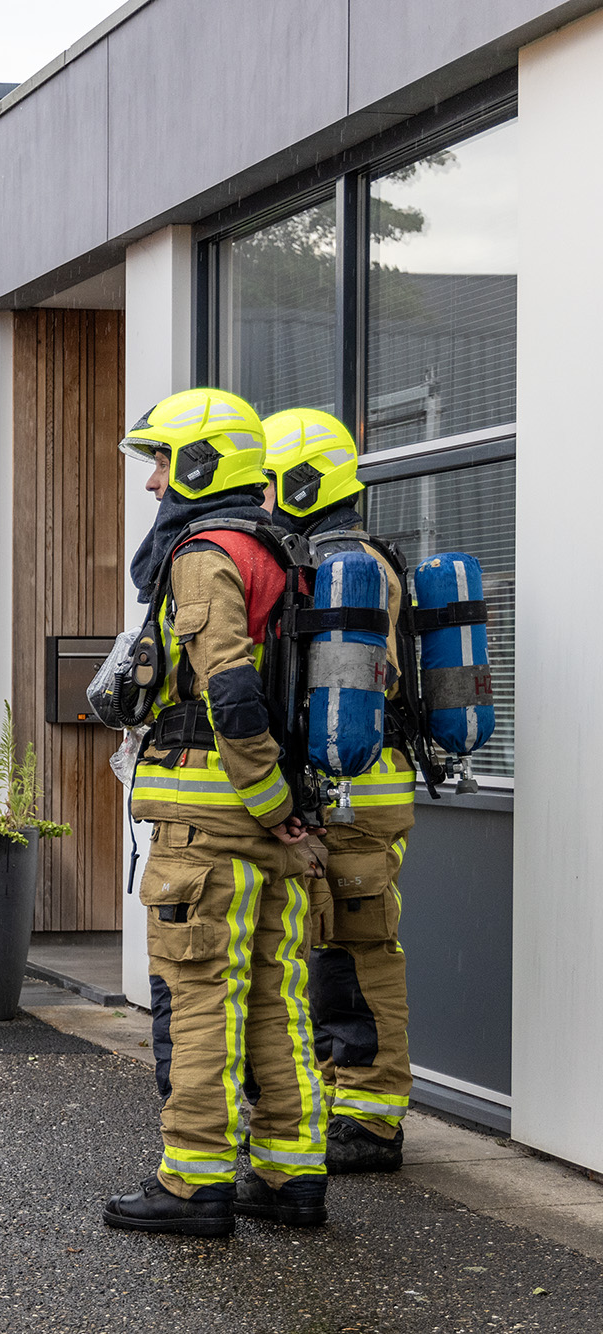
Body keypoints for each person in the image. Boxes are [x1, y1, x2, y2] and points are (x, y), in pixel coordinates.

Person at [106, 387, 330, 1236]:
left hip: (214, 818)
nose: (152, 482)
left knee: (200, 996)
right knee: (278, 999)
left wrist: (270, 802)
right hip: (268, 821)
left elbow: (230, 691)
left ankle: (195, 1182)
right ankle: (291, 1175)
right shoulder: (283, 549)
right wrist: (288, 810)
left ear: (201, 466)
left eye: (163, 463)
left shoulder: (207, 553)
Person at [263, 407, 415, 1173]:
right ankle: (343, 1094)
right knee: (331, 953)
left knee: (358, 955)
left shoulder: (342, 564)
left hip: (356, 791)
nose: (261, 498)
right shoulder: (346, 558)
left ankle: (372, 1117)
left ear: (303, 481)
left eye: (269, 482)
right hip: (347, 788)